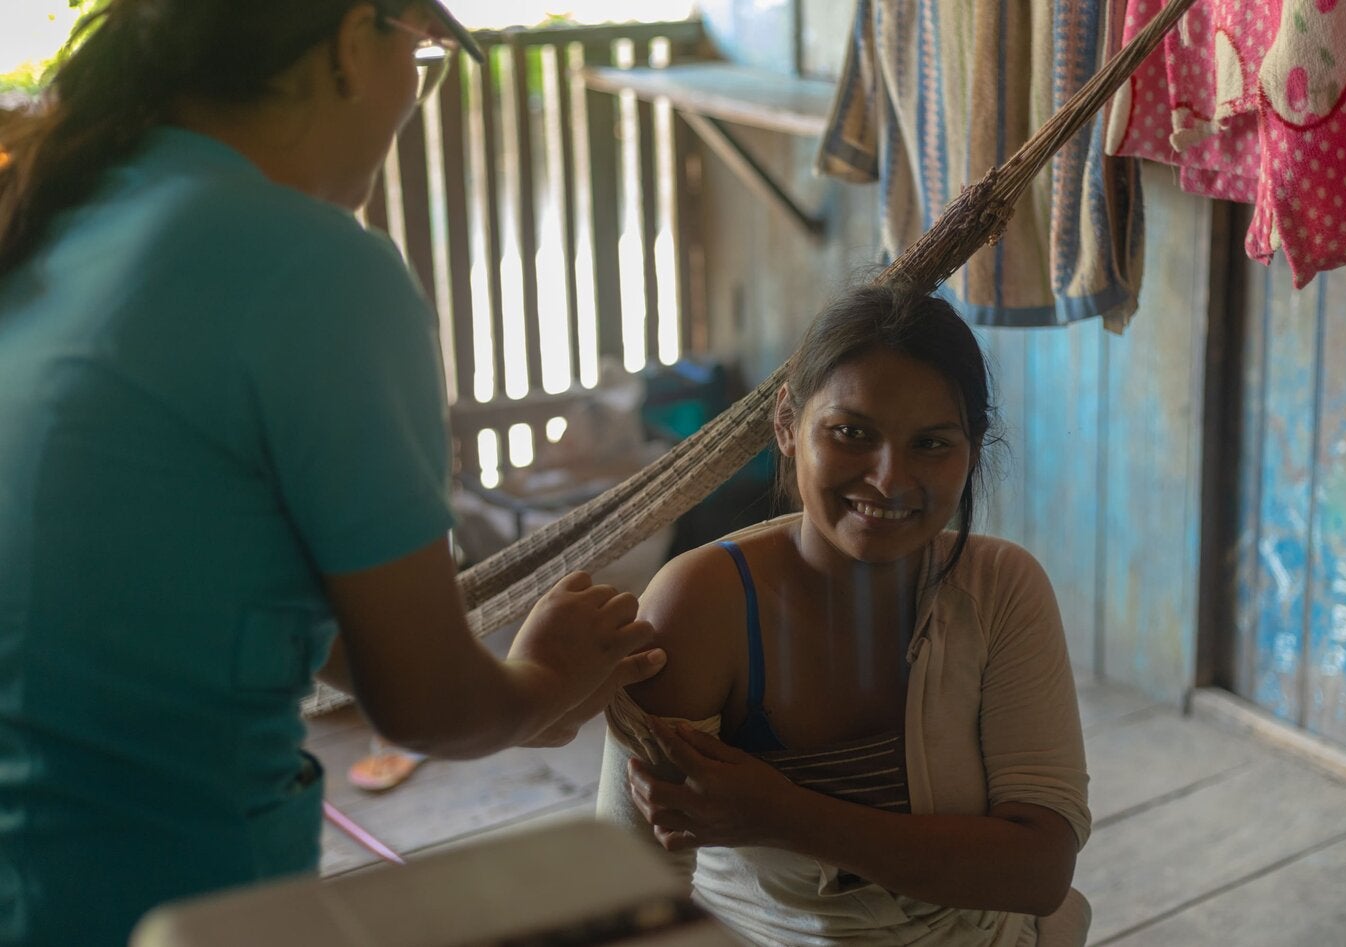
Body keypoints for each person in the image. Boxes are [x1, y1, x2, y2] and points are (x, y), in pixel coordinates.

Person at [0, 3, 664, 944]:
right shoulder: (313, 266)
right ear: (356, 42)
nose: (415, 93)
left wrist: (524, 688)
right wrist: (540, 687)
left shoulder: (59, 219)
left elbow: (199, 575)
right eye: (423, 53)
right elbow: (427, 703)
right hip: (155, 894)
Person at [597, 282, 1092, 946]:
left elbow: (1039, 871)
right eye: (851, 432)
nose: (889, 478)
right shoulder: (701, 607)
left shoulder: (1000, 590)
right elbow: (629, 888)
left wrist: (781, 813)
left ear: (972, 447)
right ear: (786, 425)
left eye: (932, 444)